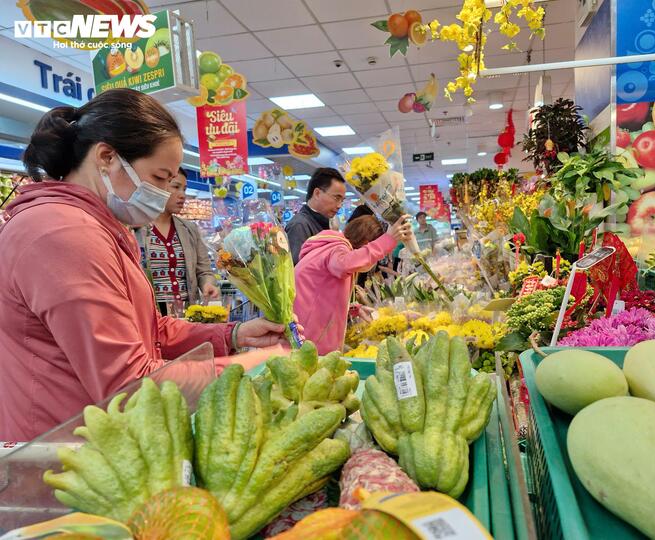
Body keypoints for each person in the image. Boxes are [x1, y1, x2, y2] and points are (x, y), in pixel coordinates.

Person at [0, 89, 289, 441]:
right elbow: (129, 381)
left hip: (99, 441)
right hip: (65, 452)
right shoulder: (62, 234)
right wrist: (245, 366)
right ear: (106, 156)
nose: (166, 195)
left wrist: (232, 335)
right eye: (159, 178)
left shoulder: (96, 226)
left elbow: (147, 330)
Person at [294, 214, 411, 354]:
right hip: (307, 337)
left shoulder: (329, 248)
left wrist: (351, 309)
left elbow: (321, 293)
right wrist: (386, 241)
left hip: (306, 331)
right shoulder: (337, 249)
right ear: (366, 241)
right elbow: (343, 265)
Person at [135, 167, 220, 314]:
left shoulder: (189, 229)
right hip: (150, 313)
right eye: (175, 187)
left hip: (187, 313)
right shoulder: (136, 228)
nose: (182, 195)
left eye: (184, 189)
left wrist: (208, 284)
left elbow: (204, 271)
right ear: (157, 187)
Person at [286, 167, 346, 264]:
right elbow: (298, 271)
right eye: (336, 198)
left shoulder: (323, 223)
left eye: (342, 200)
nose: (339, 206)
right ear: (317, 193)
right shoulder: (300, 225)